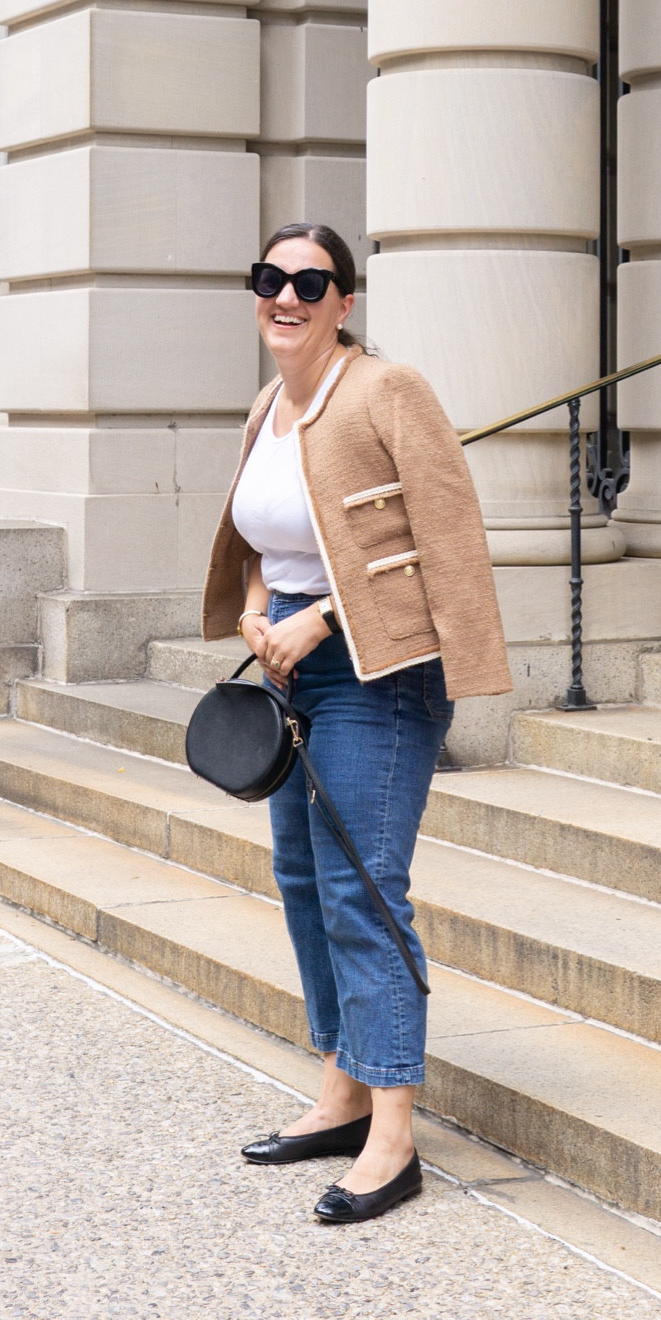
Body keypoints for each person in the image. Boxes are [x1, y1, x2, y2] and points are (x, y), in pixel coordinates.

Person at [201, 222, 512, 1224]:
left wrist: (321, 614)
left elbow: (446, 533)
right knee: (301, 878)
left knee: (362, 887)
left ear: (344, 300)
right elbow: (260, 540)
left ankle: (392, 1130)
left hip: (376, 674)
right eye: (270, 278)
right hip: (288, 671)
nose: (284, 295)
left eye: (310, 281)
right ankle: (339, 1089)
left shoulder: (386, 390)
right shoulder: (267, 405)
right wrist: (254, 603)